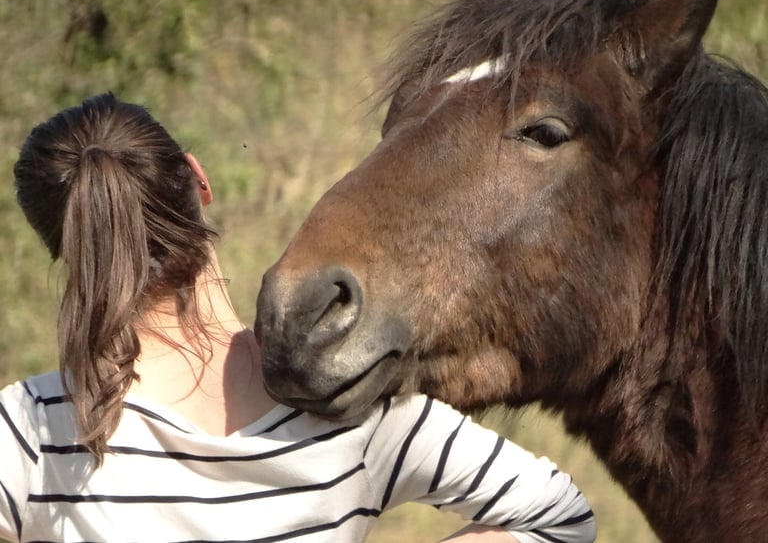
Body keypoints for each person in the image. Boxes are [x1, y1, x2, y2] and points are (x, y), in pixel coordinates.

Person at [1, 93, 597, 543]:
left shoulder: (31, 430)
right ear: (198, 178)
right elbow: (560, 518)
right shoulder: (352, 408)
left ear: (66, 247)